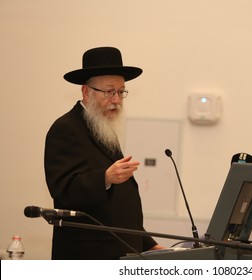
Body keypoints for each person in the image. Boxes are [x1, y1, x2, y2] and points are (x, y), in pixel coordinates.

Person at [44, 46, 164, 259]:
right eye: (109, 91)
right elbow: (64, 191)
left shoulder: (102, 128)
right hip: (86, 257)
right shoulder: (66, 128)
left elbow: (117, 209)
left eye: (121, 91)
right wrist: (105, 178)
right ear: (86, 91)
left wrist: (147, 244)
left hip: (120, 255)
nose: (117, 100)